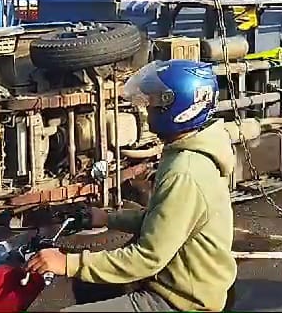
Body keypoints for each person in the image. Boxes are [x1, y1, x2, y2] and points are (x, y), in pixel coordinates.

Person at [27, 59, 237, 312]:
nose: (148, 108)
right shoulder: (189, 152)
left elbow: (148, 257)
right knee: (90, 287)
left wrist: (67, 263)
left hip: (180, 300)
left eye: (156, 102)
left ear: (179, 108)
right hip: (178, 282)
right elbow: (163, 221)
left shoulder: (186, 172)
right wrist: (105, 217)